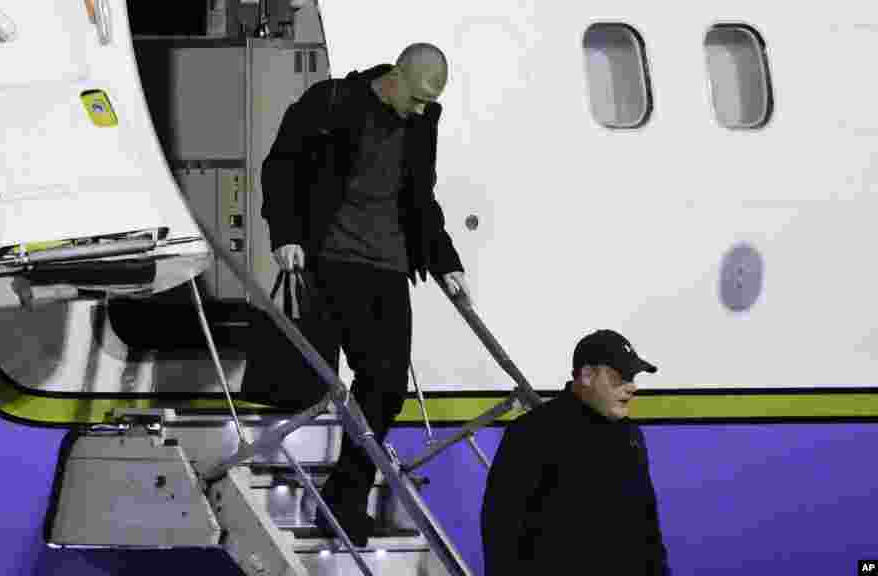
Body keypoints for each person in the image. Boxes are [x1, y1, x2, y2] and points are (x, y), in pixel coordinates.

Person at [259, 42, 471, 547]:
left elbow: (421, 197)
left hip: (389, 266)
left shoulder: (421, 121)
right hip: (332, 257)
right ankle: (345, 500)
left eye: (429, 101)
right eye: (417, 97)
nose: (423, 109)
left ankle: (341, 493)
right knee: (361, 377)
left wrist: (446, 261)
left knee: (389, 386)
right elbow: (281, 166)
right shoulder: (331, 102)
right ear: (395, 77)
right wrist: (285, 234)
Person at [481, 329, 671, 575]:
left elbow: (646, 526)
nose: (631, 387)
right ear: (587, 376)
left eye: (633, 377)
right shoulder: (532, 433)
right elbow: (501, 531)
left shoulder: (629, 435)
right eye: (620, 377)